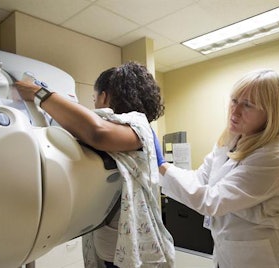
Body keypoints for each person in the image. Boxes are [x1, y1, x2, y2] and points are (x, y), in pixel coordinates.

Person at [15, 61, 175, 268]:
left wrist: (39, 94)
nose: (95, 106)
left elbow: (97, 132)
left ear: (105, 96)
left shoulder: (139, 126)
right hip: (111, 245)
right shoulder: (127, 134)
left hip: (128, 252)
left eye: (94, 99)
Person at [155, 69, 279, 267]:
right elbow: (200, 178)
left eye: (248, 105)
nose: (235, 111)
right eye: (234, 100)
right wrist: (163, 168)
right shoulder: (231, 140)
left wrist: (160, 163)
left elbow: (212, 201)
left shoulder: (275, 156)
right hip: (231, 253)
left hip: (268, 258)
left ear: (270, 113)